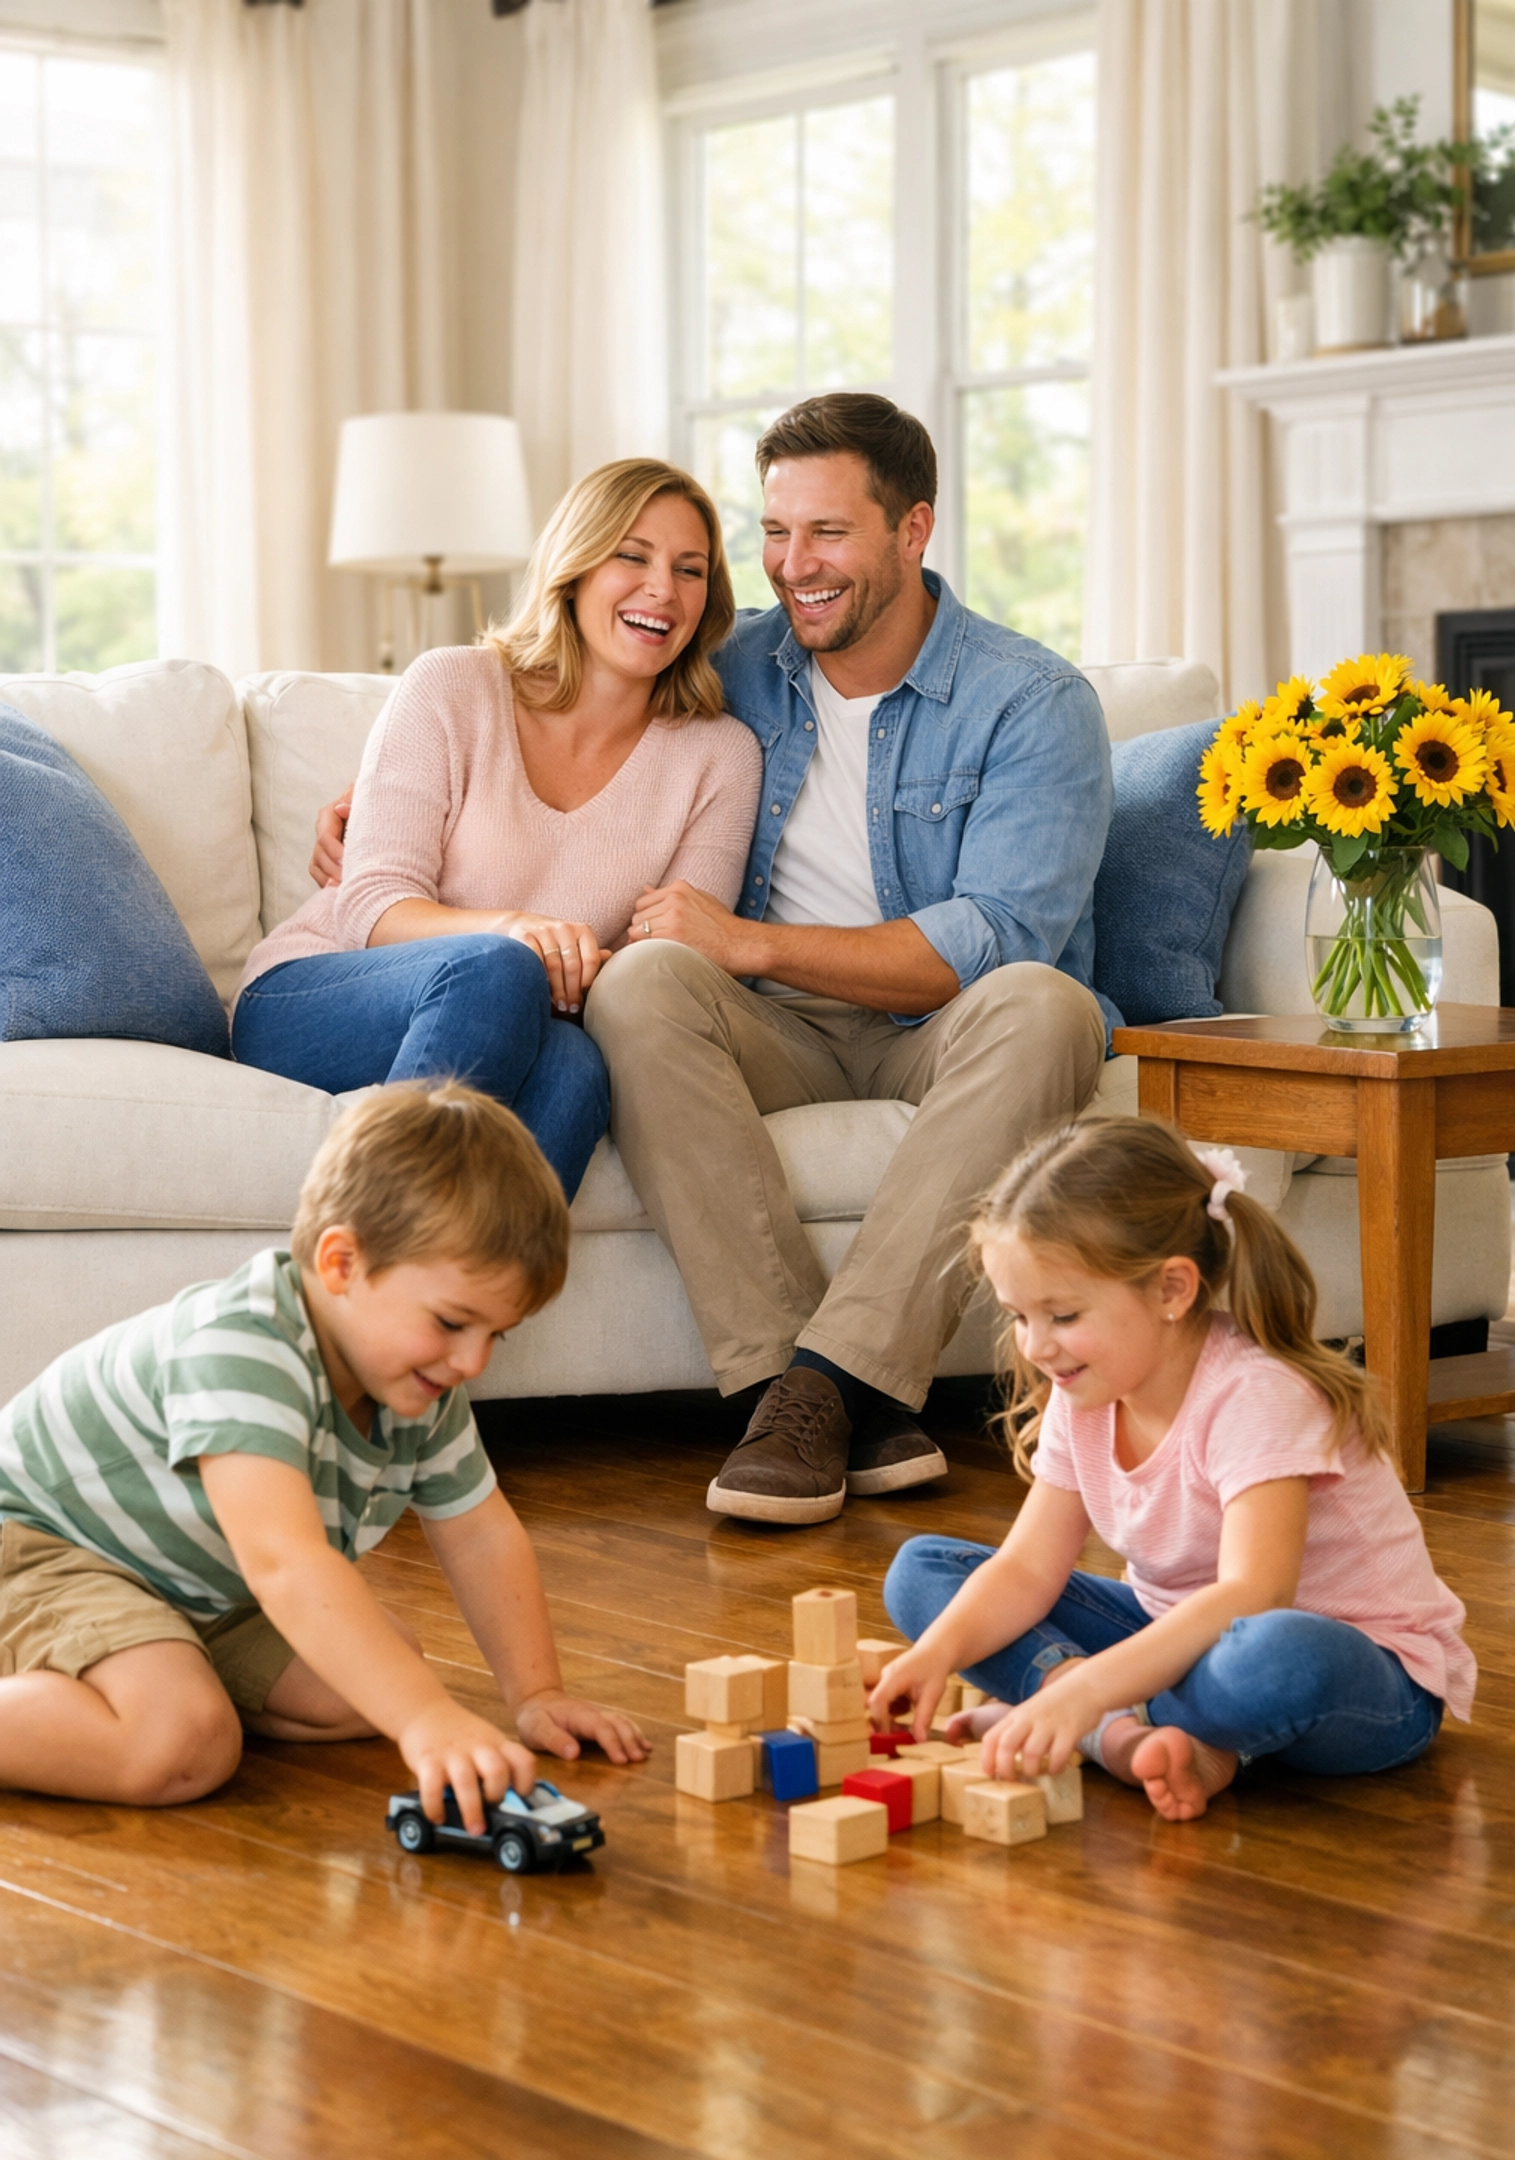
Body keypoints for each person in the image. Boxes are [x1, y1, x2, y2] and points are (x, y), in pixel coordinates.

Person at [310, 396, 1111, 1526]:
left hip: (943, 1030)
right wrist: (365, 812)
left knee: (1048, 1003)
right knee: (640, 980)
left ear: (914, 531)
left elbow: (993, 938)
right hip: (766, 1027)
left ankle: (824, 1388)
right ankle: (802, 1387)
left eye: (827, 534)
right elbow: (571, 705)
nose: (794, 566)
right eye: (776, 534)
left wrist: (750, 940)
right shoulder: (729, 664)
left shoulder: (1032, 704)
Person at [0, 1084, 649, 1827]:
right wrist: (425, 1721)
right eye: (451, 1322)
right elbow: (286, 1563)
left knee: (371, 1680)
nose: (474, 1362)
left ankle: (151, 1669)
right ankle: (140, 1691)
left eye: (496, 1335)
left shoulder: (420, 1382)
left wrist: (536, 1695)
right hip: (42, 1551)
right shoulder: (242, 1344)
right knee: (182, 1742)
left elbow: (479, 1533)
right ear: (341, 1262)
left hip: (199, 1582)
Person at [869, 1115, 1475, 1823]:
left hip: (1359, 1677)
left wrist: (1083, 1688)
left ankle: (1088, 1717)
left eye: (1061, 1315)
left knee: (1277, 1656)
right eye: (1018, 1316)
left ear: (1171, 1290)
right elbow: (1029, 1570)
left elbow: (1255, 1594)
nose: (1036, 1346)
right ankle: (1130, 1735)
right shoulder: (1087, 1387)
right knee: (925, 1571)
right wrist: (936, 1655)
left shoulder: (1257, 1393)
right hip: (1176, 1642)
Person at [237, 459, 761, 1205]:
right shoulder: (452, 686)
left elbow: (664, 972)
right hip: (316, 992)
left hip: (526, 1019)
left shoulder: (720, 758)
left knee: (579, 1072)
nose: (663, 590)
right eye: (631, 556)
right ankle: (368, 1270)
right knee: (497, 967)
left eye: (691, 569)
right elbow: (371, 904)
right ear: (574, 568)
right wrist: (518, 935)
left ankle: (445, 1311)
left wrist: (536, 958)